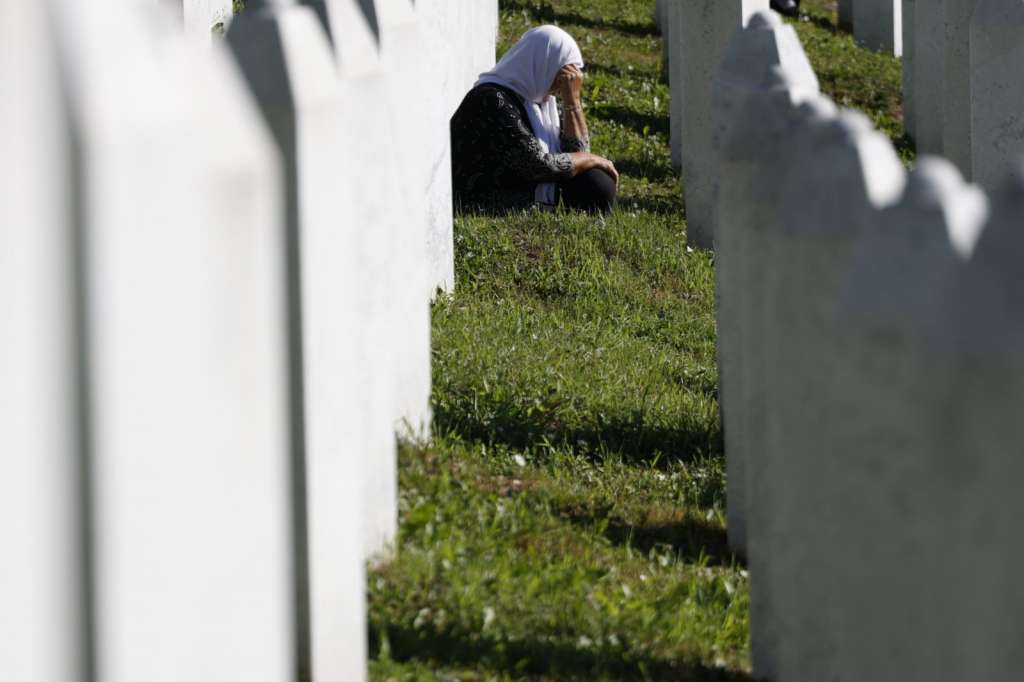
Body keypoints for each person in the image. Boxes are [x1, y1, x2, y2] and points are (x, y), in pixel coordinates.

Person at [450, 25, 619, 215]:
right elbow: (537, 166)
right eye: (562, 77)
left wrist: (573, 101)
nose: (562, 86)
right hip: (482, 200)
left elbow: (576, 153)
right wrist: (592, 159)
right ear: (542, 63)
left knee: (594, 178)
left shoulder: (542, 102)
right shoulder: (492, 98)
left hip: (521, 189)